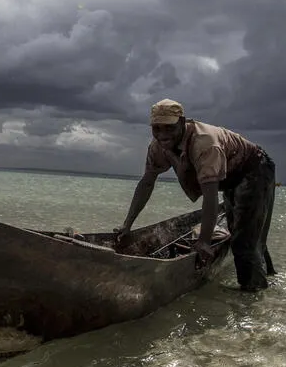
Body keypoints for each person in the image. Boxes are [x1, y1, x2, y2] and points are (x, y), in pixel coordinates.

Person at [117, 98, 276, 292]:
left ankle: (252, 295)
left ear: (183, 122)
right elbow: (147, 183)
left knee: (244, 241)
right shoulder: (158, 146)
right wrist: (127, 225)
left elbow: (210, 197)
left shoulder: (205, 144)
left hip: (254, 169)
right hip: (229, 175)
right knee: (243, 229)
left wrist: (204, 242)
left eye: (169, 127)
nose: (162, 134)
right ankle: (269, 275)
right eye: (156, 128)